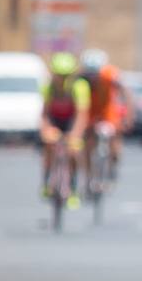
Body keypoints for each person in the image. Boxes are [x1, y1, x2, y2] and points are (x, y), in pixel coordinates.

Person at [39, 51, 91, 208]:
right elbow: (44, 114)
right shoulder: (48, 87)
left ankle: (73, 189)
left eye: (66, 75)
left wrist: (75, 135)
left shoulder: (80, 87)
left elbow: (82, 115)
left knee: (73, 151)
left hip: (71, 121)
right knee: (49, 146)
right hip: (55, 120)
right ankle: (47, 182)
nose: (62, 79)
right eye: (59, 75)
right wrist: (46, 130)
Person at [81, 49, 132, 175]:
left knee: (113, 136)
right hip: (90, 110)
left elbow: (125, 92)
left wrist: (128, 116)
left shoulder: (110, 74)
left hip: (108, 110)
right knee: (87, 141)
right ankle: (89, 175)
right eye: (90, 74)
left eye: (95, 74)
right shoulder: (81, 78)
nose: (92, 78)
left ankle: (113, 161)